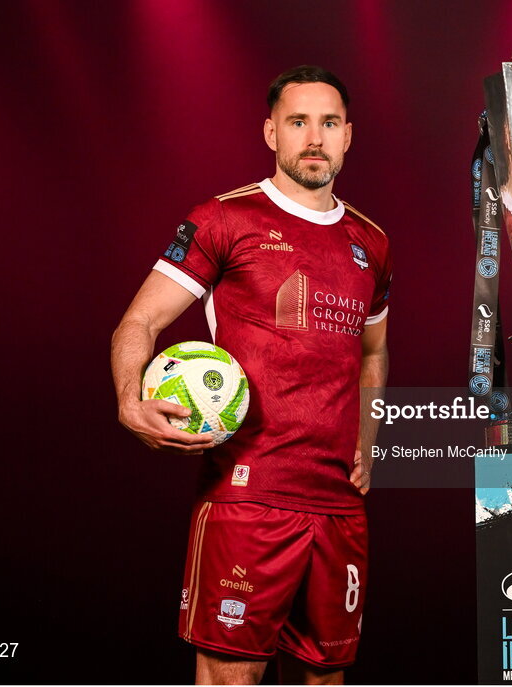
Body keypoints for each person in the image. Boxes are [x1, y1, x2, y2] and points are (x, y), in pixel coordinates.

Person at [111, 65, 391, 685]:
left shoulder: (371, 243)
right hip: (248, 495)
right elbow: (137, 324)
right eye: (298, 122)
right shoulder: (222, 220)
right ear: (271, 133)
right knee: (230, 676)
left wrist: (366, 442)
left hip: (339, 504)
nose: (314, 138)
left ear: (348, 135)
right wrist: (131, 399)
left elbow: (371, 352)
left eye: (328, 123)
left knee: (328, 676)